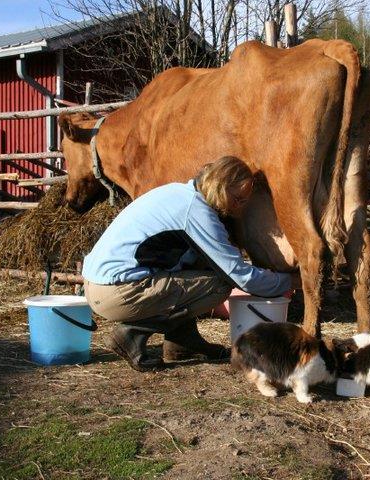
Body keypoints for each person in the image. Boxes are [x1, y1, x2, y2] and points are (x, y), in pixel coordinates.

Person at [82, 156, 295, 372]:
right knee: (220, 285)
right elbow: (239, 276)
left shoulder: (180, 194)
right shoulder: (196, 212)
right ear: (221, 187)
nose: (239, 209)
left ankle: (182, 342)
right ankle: (132, 334)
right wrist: (289, 281)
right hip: (115, 292)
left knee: (202, 265)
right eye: (238, 199)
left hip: (99, 285)